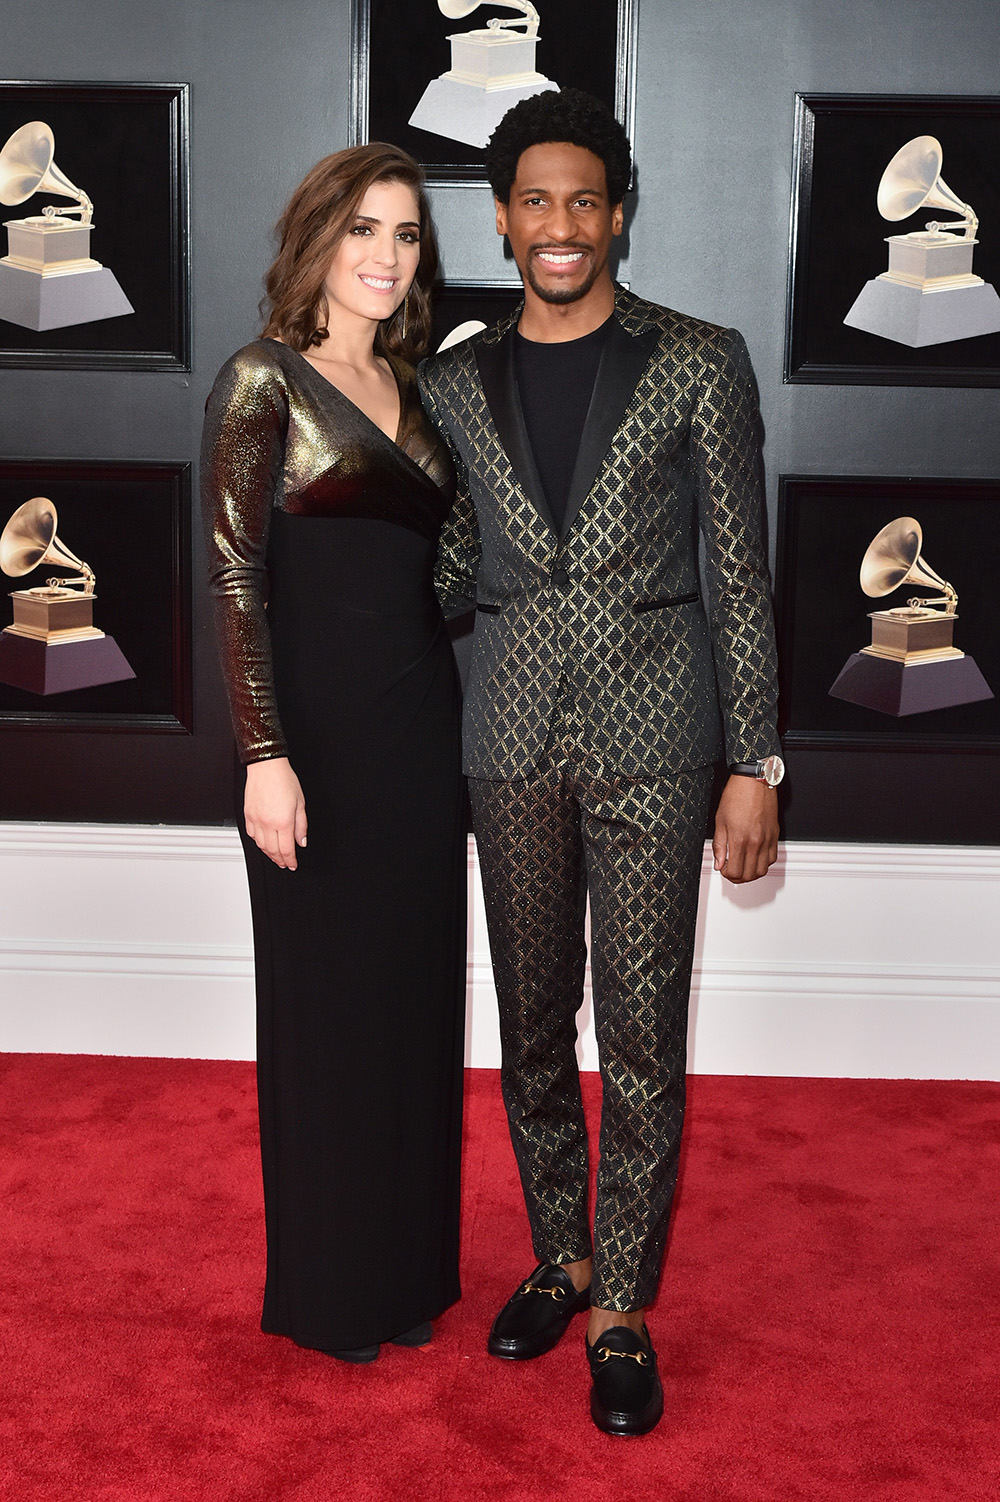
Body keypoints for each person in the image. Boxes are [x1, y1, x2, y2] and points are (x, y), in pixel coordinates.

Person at [418, 89, 783, 1435]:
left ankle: (621, 1302)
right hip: (507, 733)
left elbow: (738, 579)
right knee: (527, 1025)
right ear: (502, 218)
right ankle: (560, 1257)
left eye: (585, 199)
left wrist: (760, 761)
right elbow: (447, 566)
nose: (561, 224)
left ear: (616, 214)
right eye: (536, 201)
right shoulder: (453, 384)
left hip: (659, 737)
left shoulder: (699, 359)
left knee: (639, 1032)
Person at [201, 144, 466, 1364]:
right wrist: (264, 751)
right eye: (364, 228)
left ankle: (408, 1273)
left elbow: (445, 571)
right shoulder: (261, 380)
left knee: (412, 1004)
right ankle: (330, 1289)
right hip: (312, 739)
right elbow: (237, 570)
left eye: (406, 235)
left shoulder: (420, 384)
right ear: (318, 236)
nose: (385, 255)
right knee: (328, 1012)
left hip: (422, 731)